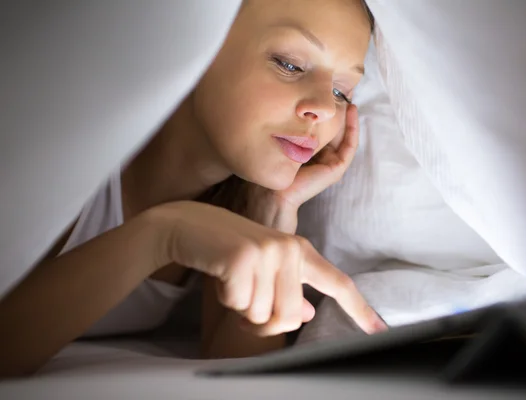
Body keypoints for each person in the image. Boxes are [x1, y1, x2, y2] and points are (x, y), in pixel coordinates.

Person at [0, 0, 386, 377]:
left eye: (342, 91)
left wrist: (275, 210)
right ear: (198, 44)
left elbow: (236, 372)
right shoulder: (61, 152)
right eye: (290, 64)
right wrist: (162, 235)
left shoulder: (231, 209)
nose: (325, 108)